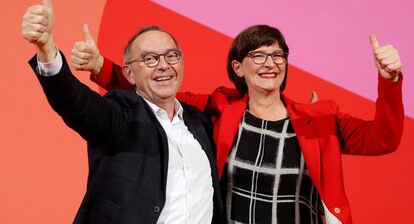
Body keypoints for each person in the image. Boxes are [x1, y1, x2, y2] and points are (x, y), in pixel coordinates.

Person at [72, 16, 403, 224]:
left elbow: (383, 139)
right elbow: (157, 92)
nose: (269, 63)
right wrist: (103, 66)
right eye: (257, 55)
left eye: (277, 55)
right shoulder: (218, 108)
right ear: (238, 67)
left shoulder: (320, 118)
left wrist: (389, 81)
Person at [22, 0, 224, 224]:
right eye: (150, 59)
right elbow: (77, 104)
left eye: (172, 56)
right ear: (129, 74)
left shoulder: (199, 121)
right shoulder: (121, 113)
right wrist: (47, 51)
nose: (163, 65)